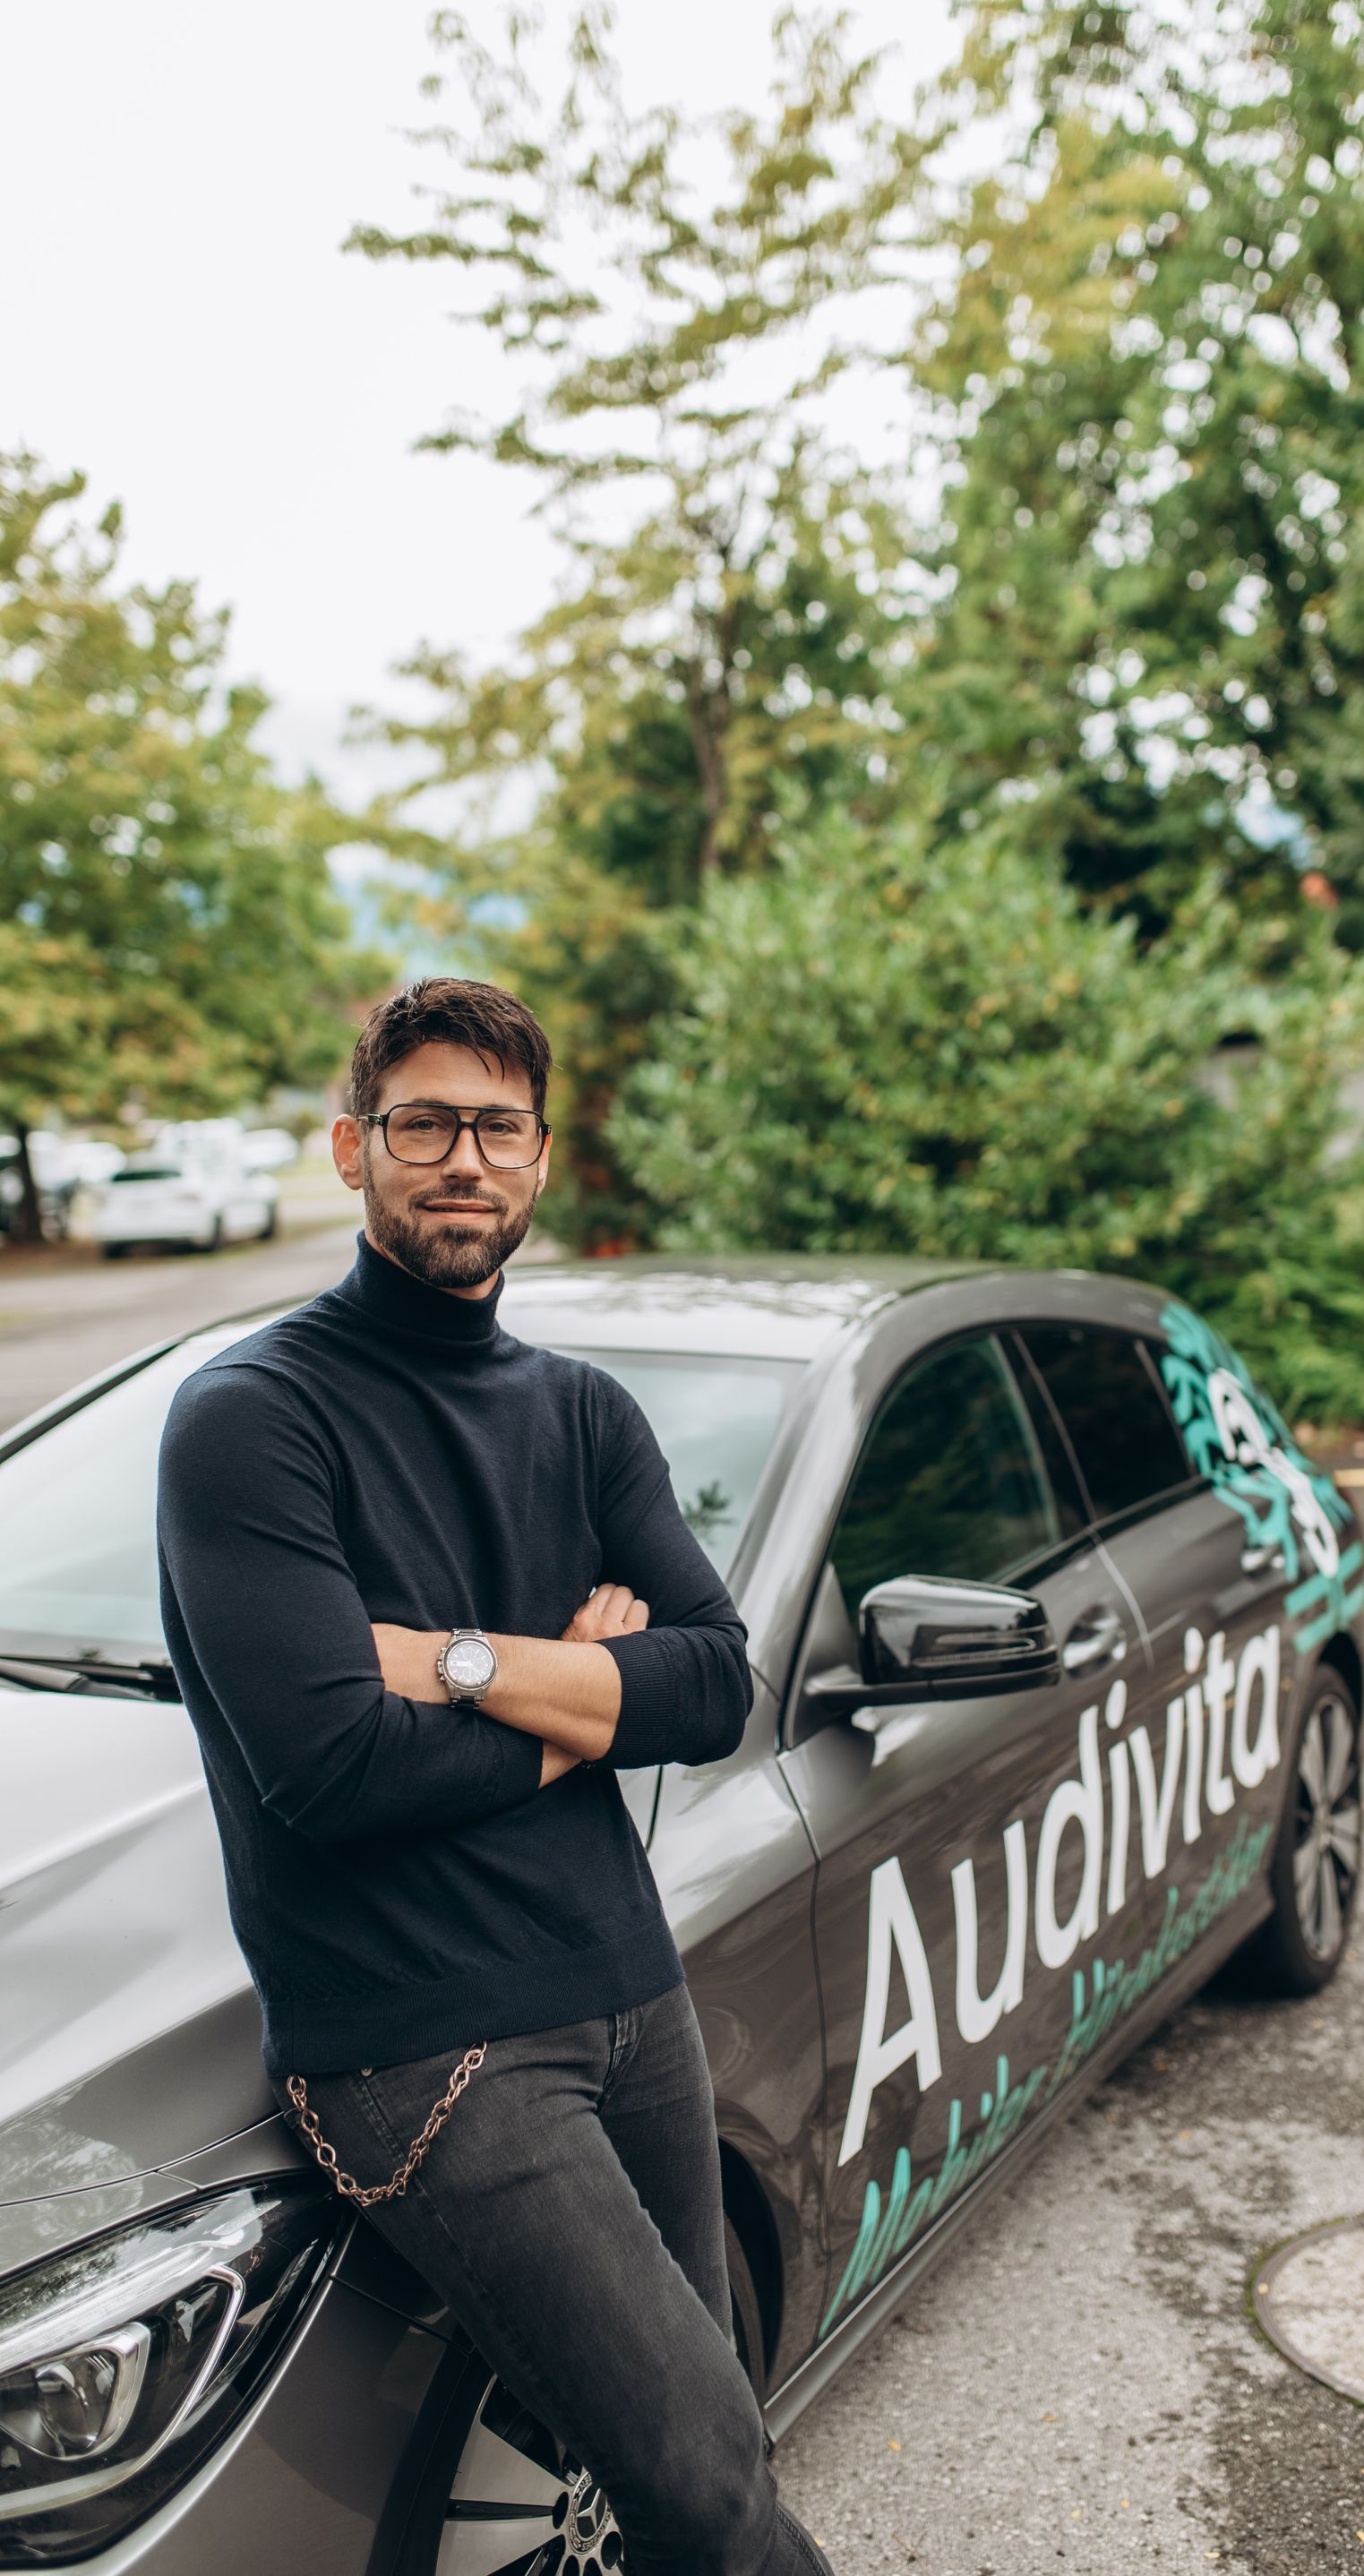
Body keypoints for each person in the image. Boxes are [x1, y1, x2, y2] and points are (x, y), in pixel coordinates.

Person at [157, 976, 835, 2576]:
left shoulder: (581, 1413)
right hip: (420, 2039)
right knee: (710, 2493)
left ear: (541, 1161)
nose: (463, 1158)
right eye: (424, 1123)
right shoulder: (252, 1420)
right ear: (352, 1148)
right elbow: (336, 1771)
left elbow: (717, 1680)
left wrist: (460, 1657)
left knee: (711, 2440)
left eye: (498, 1127)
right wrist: (589, 1685)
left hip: (625, 1990)